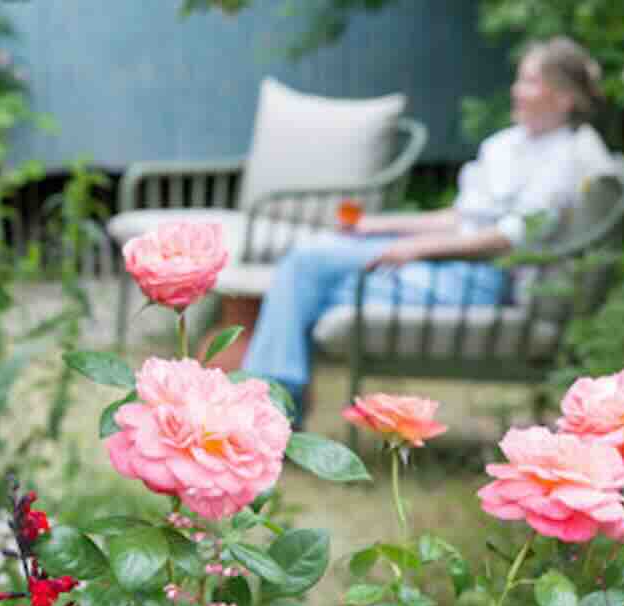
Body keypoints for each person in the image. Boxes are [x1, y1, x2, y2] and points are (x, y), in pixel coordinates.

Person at [240, 37, 604, 417]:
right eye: (519, 79)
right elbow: (460, 217)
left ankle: (269, 408)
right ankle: (273, 404)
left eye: (530, 81)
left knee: (304, 278)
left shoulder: (564, 161)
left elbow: (506, 238)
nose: (516, 90)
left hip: (479, 278)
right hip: (447, 263)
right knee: (307, 268)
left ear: (565, 97)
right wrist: (377, 225)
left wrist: (416, 248)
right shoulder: (508, 145)